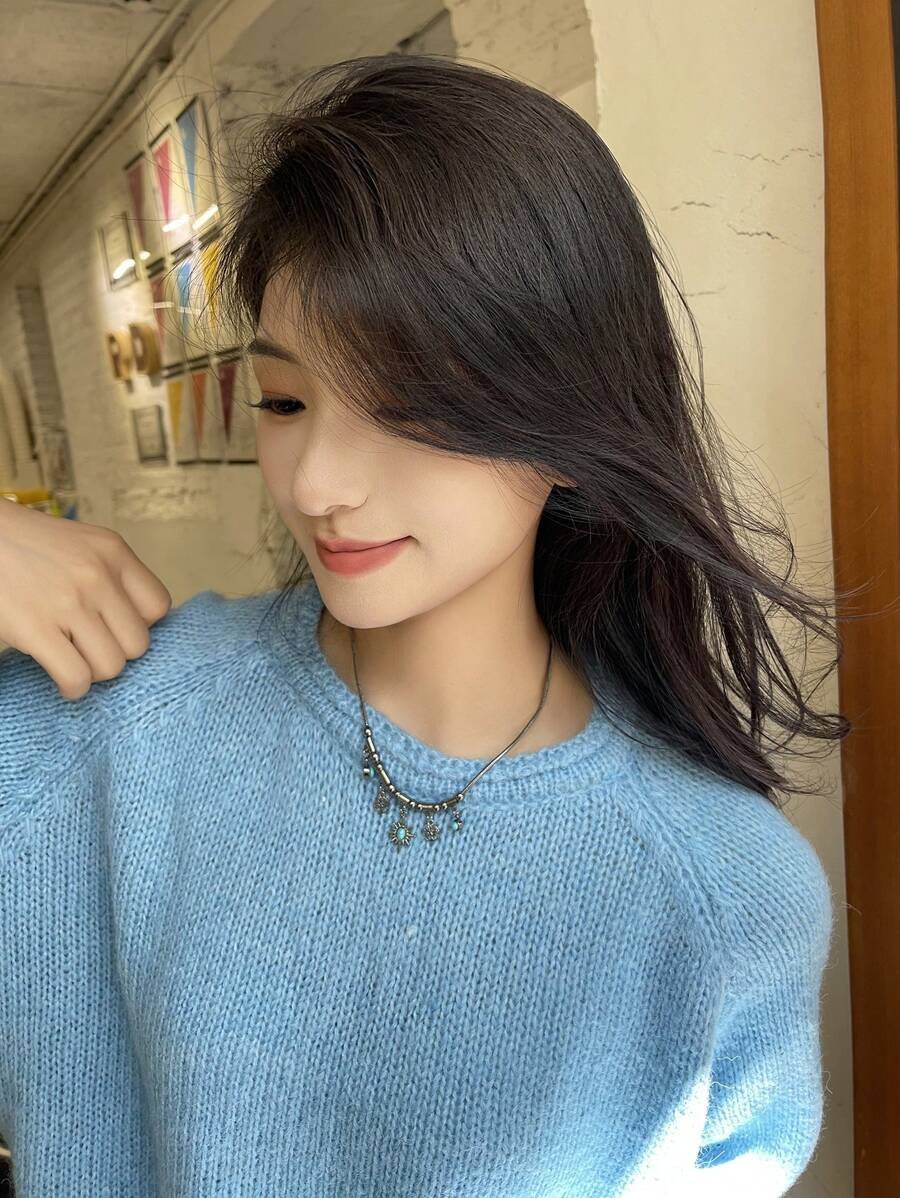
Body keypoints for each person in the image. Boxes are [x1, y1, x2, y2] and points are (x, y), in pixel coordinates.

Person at [0, 53, 846, 1198]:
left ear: (571, 419)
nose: (317, 483)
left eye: (409, 408)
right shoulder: (101, 733)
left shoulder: (724, 896)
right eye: (286, 401)